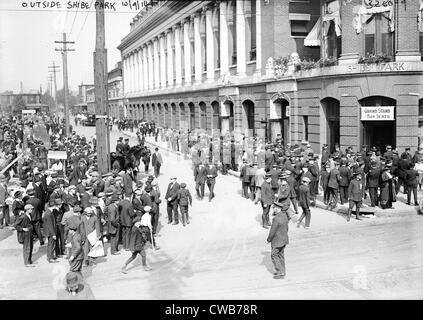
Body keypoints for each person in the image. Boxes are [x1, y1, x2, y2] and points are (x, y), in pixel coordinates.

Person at [266, 201, 289, 279]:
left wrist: (268, 239)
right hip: (284, 239)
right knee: (281, 255)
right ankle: (283, 271)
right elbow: (287, 228)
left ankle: (280, 272)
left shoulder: (276, 219)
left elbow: (272, 230)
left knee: (274, 255)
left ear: (277, 208)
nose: (273, 209)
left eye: (274, 208)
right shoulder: (284, 216)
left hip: (277, 240)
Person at [67, 216, 84, 296]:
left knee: (72, 271)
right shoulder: (77, 235)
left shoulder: (75, 237)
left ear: (71, 230)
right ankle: (80, 282)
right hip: (80, 256)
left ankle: (73, 288)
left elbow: (78, 247)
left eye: (69, 230)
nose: (69, 231)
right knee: (78, 270)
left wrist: (72, 256)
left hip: (77, 257)